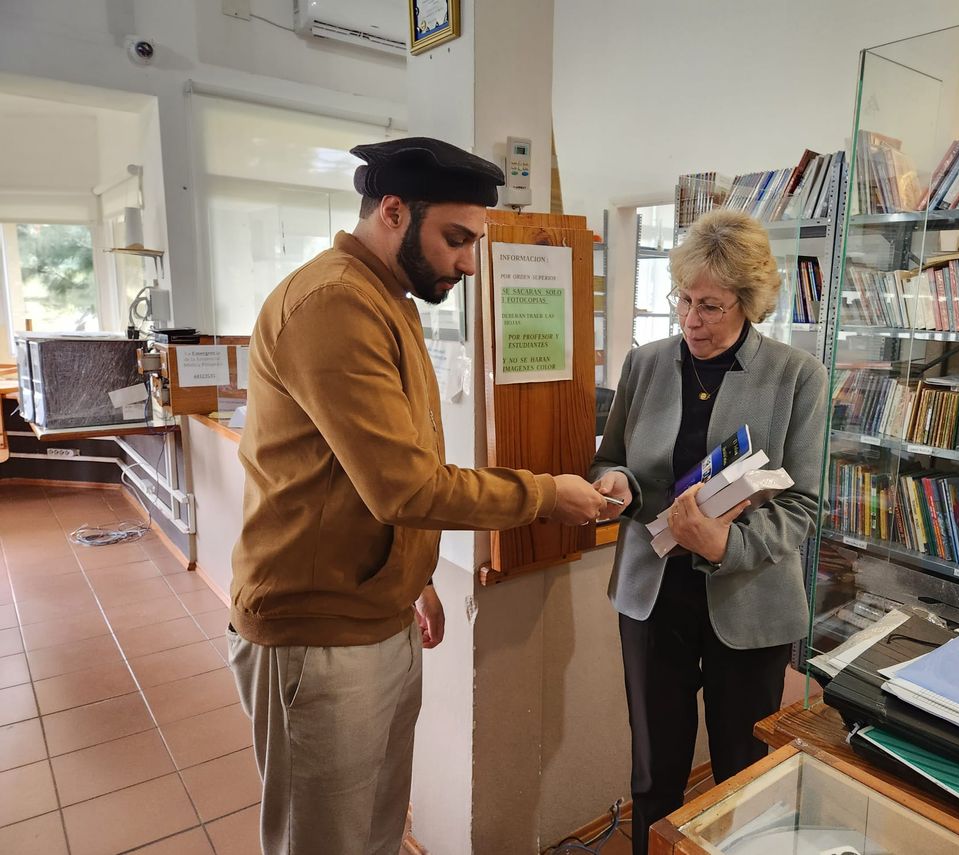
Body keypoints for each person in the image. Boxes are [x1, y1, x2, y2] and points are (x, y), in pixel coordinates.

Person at [227, 137, 609, 855]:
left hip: (375, 612)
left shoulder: (388, 296)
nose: (468, 262)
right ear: (394, 212)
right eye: (456, 239)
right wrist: (545, 495)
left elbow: (379, 466)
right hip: (318, 628)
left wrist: (417, 576)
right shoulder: (334, 302)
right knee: (323, 841)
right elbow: (404, 486)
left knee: (373, 832)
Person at [590, 209, 827, 853]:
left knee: (742, 769)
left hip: (749, 602)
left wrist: (727, 545)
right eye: (684, 301)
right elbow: (611, 459)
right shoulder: (646, 363)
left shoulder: (796, 376)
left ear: (749, 304)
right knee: (654, 767)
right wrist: (617, 486)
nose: (692, 320)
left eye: (712, 306)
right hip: (652, 594)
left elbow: (803, 506)